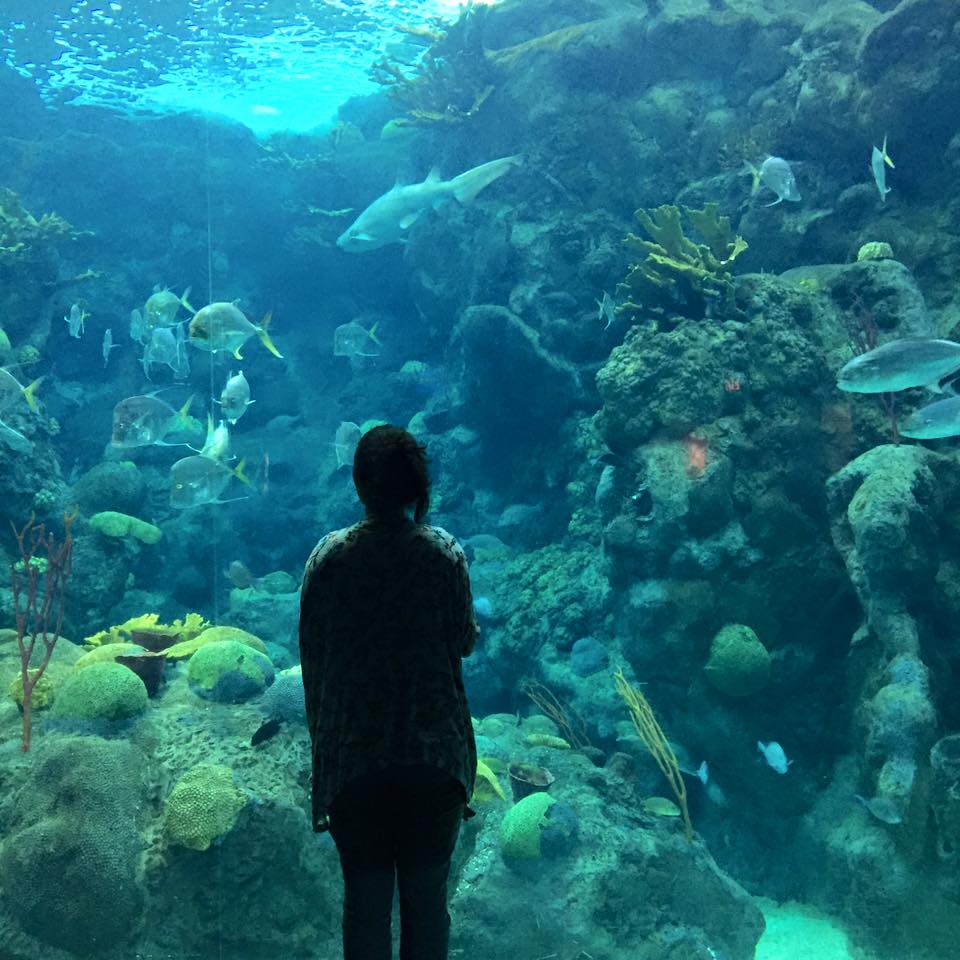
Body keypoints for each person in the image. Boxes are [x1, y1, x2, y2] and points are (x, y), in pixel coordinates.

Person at [299, 424, 478, 960]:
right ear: (418, 488)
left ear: (359, 484)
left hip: (354, 762)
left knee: (365, 908)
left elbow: (313, 653)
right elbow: (464, 641)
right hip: (433, 758)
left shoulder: (328, 560)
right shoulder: (444, 554)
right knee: (427, 906)